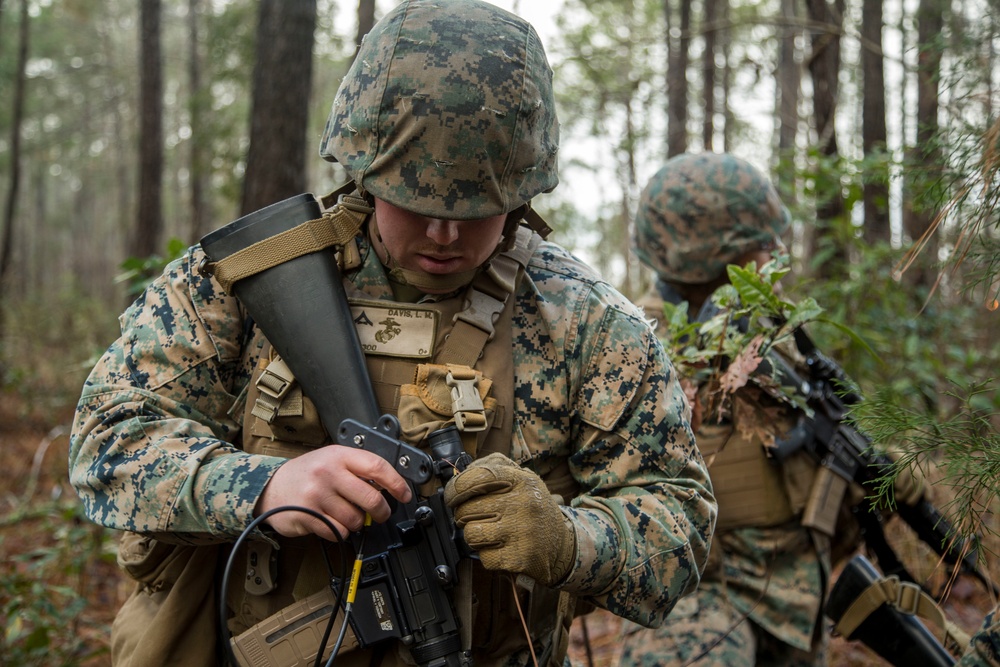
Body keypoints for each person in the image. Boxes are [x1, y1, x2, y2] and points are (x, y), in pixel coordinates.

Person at [68, 2, 716, 666]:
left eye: (472, 210)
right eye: (417, 201)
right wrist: (262, 487)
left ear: (522, 194)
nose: (444, 234)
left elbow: (682, 524)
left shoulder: (584, 321)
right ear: (365, 171)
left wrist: (569, 539)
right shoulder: (244, 283)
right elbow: (107, 438)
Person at [618, 152, 914, 666]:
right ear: (711, 256)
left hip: (796, 604)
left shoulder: (773, 336)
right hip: (704, 608)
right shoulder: (639, 352)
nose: (778, 253)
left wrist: (888, 470)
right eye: (762, 244)